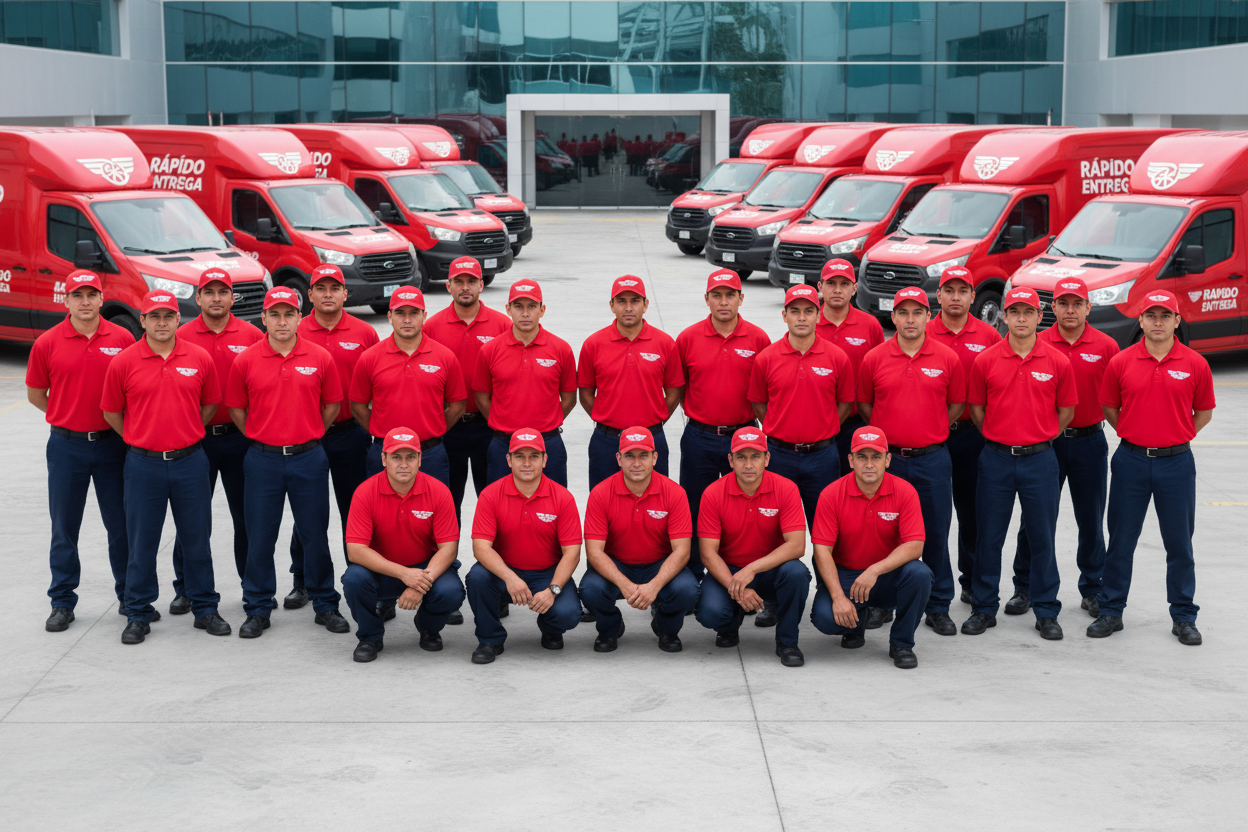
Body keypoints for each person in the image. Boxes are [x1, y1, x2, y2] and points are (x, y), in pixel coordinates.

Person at [100, 290, 229, 644]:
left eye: (168, 316)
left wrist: (184, 434)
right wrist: (140, 437)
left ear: (178, 319)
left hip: (190, 462)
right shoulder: (123, 362)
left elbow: (208, 405)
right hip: (144, 466)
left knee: (197, 539)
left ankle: (205, 608)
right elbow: (112, 411)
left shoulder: (199, 357)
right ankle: (138, 612)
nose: (161, 323)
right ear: (142, 321)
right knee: (142, 542)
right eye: (154, 316)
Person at [1091, 289, 1215, 646]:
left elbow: (1204, 411)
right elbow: (1110, 408)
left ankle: (1184, 616)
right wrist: (1134, 435)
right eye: (1151, 315)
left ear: (1177, 321)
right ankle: (1112, 610)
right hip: (1130, 461)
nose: (1157, 322)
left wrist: (1177, 434)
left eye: (1165, 316)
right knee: (1121, 541)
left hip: (1176, 464)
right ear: (1141, 321)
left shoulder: (1195, 363)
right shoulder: (1121, 362)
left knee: (1179, 544)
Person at [226, 286, 349, 639]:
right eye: (275, 314)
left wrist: (307, 434)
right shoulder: (246, 360)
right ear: (263, 318)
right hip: (262, 459)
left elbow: (330, 407)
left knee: (315, 534)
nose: (282, 321)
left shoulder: (320, 357)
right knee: (260, 536)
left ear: (300, 316)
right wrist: (260, 434)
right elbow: (237, 408)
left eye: (289, 314)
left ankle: (325, 602)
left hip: (308, 458)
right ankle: (258, 607)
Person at [963, 286, 1077, 641]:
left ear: (1039, 316)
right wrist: (1002, 438)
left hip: (1040, 460)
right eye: (1015, 312)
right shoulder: (986, 361)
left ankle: (1045, 610)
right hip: (996, 459)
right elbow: (978, 412)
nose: (1022, 318)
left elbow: (1066, 411)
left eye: (1028, 312)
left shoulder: (1058, 361)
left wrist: (1039, 438)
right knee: (989, 537)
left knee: (1042, 537)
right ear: (1005, 317)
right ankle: (983, 608)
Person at [27, 269, 135, 632]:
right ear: (66, 300)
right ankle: (61, 602)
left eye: (91, 295)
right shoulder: (47, 342)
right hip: (66, 447)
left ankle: (129, 596)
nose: (85, 302)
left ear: (102, 299)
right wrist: (67, 417)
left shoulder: (121, 338)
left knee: (121, 527)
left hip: (112, 446)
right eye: (78, 295)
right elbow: (36, 394)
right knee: (64, 527)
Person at [1006, 278, 1119, 619]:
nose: (1070, 310)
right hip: (1045, 445)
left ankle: (1093, 586)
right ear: (1051, 309)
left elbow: (1118, 396)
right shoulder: (1035, 342)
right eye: (1063, 303)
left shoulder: (1106, 346)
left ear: (1088, 307)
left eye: (1077, 303)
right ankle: (1024, 586)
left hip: (1088, 441)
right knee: (1035, 519)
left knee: (1090, 517)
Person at [856, 287, 964, 636]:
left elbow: (957, 405)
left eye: (917, 312)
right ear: (894, 317)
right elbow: (866, 407)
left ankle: (938, 605)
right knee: (882, 534)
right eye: (903, 313)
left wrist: (929, 430)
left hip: (932, 460)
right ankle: (881, 603)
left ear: (928, 316)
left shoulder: (947, 358)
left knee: (934, 532)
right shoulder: (874, 358)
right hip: (888, 462)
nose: (910, 319)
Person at [170, 268, 264, 614]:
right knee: (191, 519)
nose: (215, 298)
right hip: (196, 441)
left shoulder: (253, 334)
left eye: (222, 292)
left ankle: (251, 586)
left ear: (232, 298)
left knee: (247, 517)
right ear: (197, 298)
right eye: (208, 292)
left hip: (241, 440)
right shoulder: (181, 335)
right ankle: (185, 587)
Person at [675, 269, 771, 581]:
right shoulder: (688, 338)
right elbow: (679, 385)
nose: (724, 301)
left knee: (745, 509)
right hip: (699, 435)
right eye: (717, 295)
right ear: (707, 299)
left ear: (741, 298)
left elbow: (765, 391)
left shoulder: (758, 339)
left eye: (730, 295)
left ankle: (746, 574)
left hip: (743, 438)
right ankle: (691, 575)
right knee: (693, 507)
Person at [809, 426, 933, 668]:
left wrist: (874, 571)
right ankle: (857, 621)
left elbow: (915, 546)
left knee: (920, 574)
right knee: (824, 618)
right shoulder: (831, 494)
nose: (869, 464)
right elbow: (821, 550)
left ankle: (902, 643)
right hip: (847, 574)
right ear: (851, 460)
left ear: (887, 460)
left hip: (888, 576)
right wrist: (838, 597)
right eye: (862, 457)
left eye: (876, 457)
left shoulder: (905, 492)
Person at [342, 426, 466, 662]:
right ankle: (370, 636)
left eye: (410, 457)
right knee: (354, 579)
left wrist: (418, 583)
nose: (403, 464)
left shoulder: (439, 491)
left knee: (451, 592)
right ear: (383, 459)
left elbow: (448, 549)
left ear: (420, 459)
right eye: (396, 457)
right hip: (382, 569)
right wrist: (404, 575)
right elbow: (356, 551)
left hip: (426, 568)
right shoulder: (365, 492)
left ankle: (428, 627)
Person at [695, 428, 812, 667]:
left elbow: (797, 546)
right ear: (731, 460)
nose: (748, 464)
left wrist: (752, 570)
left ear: (767, 459)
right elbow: (707, 553)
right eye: (741, 457)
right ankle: (729, 624)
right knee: (710, 613)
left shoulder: (786, 488)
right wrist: (737, 587)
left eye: (755, 456)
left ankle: (787, 641)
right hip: (729, 570)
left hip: (771, 571)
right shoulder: (713, 493)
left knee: (797, 573)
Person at [465, 429, 583, 664]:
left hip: (547, 573)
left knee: (568, 614)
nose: (527, 463)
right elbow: (481, 548)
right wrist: (510, 578)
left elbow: (572, 553)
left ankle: (551, 627)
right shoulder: (490, 495)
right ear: (508, 460)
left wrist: (553, 590)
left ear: (544, 459)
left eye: (534, 456)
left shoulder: (562, 497)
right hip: (504, 572)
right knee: (477, 577)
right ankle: (490, 639)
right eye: (520, 456)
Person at [580, 426, 699, 653]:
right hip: (617, 564)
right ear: (618, 458)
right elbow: (594, 552)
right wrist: (624, 585)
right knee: (590, 588)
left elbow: (682, 551)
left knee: (688, 589)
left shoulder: (674, 493)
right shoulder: (600, 493)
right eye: (629, 456)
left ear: (655, 458)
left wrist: (654, 587)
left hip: (658, 564)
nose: (636, 463)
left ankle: (666, 628)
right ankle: (610, 628)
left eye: (643, 455)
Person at [748, 284, 854, 531]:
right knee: (773, 530)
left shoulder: (837, 357)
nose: (802, 317)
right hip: (778, 456)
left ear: (819, 315)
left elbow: (845, 404)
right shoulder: (766, 358)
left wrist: (823, 429)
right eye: (794, 311)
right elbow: (758, 403)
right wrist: (781, 428)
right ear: (784, 316)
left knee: (826, 531)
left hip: (823, 458)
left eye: (809, 311)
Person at [926, 266, 1002, 604]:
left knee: (972, 514)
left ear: (973, 297)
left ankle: (970, 581)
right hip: (932, 438)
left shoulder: (989, 336)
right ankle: (927, 583)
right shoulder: (921, 331)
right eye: (949, 290)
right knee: (933, 518)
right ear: (938, 295)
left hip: (973, 436)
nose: (956, 297)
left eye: (963, 291)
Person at [423, 257, 512, 524]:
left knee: (494, 502)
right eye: (459, 282)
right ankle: (449, 563)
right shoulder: (432, 328)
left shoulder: (502, 325)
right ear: (448, 286)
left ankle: (494, 564)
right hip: (448, 428)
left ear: (481, 285)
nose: (465, 287)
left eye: (471, 281)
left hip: (489, 427)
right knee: (447, 504)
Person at [350, 285, 466, 485]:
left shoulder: (445, 357)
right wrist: (381, 431)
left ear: (424, 316)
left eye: (414, 313)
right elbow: (358, 406)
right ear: (389, 316)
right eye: (400, 313)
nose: (407, 319)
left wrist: (432, 428)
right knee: (382, 514)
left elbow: (457, 405)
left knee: (435, 512)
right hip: (384, 454)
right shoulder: (369, 358)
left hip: (430, 454)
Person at [579, 275, 683, 491]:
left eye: (635, 301)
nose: (628, 308)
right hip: (607, 442)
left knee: (656, 506)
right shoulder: (593, 344)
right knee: (602, 505)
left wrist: (656, 419)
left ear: (645, 305)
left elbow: (674, 392)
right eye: (621, 301)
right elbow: (586, 394)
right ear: (612, 305)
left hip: (652, 440)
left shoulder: (665, 343)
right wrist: (608, 418)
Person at [474, 279, 577, 487]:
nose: (525, 313)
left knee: (553, 507)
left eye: (531, 306)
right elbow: (482, 397)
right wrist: (503, 421)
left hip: (548, 443)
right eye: (518, 307)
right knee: (500, 508)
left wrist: (546, 422)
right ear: (508, 309)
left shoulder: (561, 349)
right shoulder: (490, 350)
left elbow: (569, 398)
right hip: (504, 444)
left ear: (542, 309)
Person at [814, 259, 885, 476]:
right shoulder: (807, 322)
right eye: (831, 283)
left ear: (854, 289)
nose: (837, 290)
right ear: (820, 287)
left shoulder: (870, 325)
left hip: (856, 425)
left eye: (844, 284)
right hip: (816, 425)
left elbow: (881, 374)